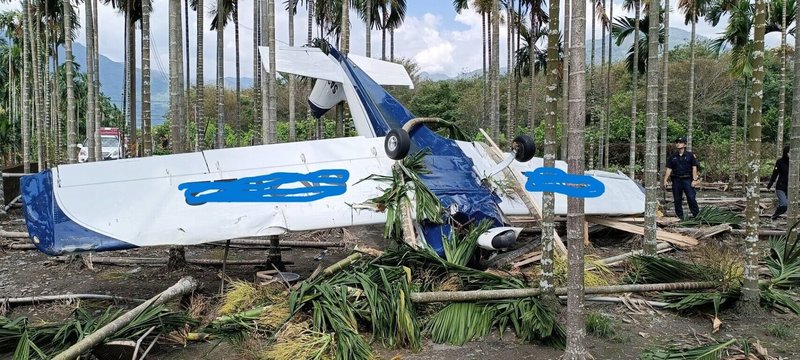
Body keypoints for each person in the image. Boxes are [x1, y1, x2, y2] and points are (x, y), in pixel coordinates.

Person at [663, 136, 700, 219]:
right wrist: (665, 180)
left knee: (691, 198)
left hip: (687, 179)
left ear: (685, 144)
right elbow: (669, 169)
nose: (678, 144)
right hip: (676, 180)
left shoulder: (690, 155)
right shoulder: (672, 157)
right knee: (677, 199)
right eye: (677, 142)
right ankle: (680, 218)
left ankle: (697, 216)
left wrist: (694, 180)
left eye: (680, 142)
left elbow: (694, 167)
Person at [767, 145, 789, 220]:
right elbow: (775, 173)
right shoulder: (780, 162)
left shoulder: (795, 163)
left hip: (791, 187)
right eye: (789, 152)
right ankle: (774, 216)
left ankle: (775, 217)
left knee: (788, 206)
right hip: (781, 186)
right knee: (784, 204)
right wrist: (770, 184)